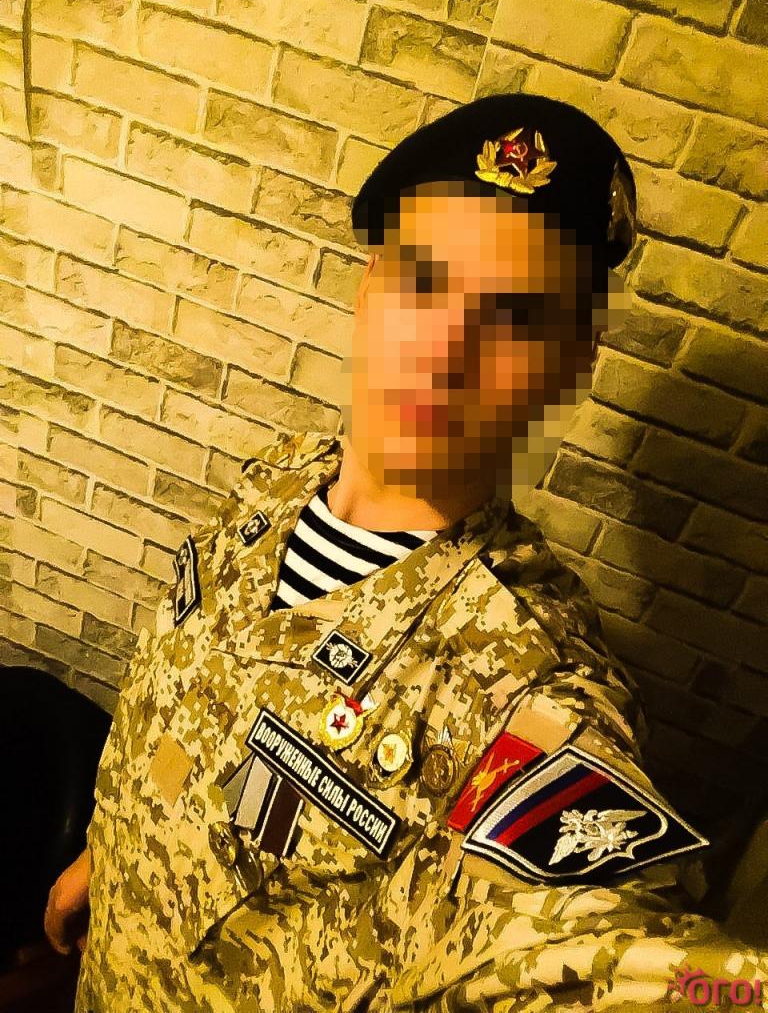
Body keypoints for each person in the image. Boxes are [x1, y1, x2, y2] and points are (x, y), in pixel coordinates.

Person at [45, 93, 768, 1011]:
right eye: (423, 281)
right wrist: (113, 846)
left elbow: (601, 952)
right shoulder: (280, 481)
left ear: (574, 363)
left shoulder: (523, 686)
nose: (445, 349)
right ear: (368, 288)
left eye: (514, 315)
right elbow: (192, 711)